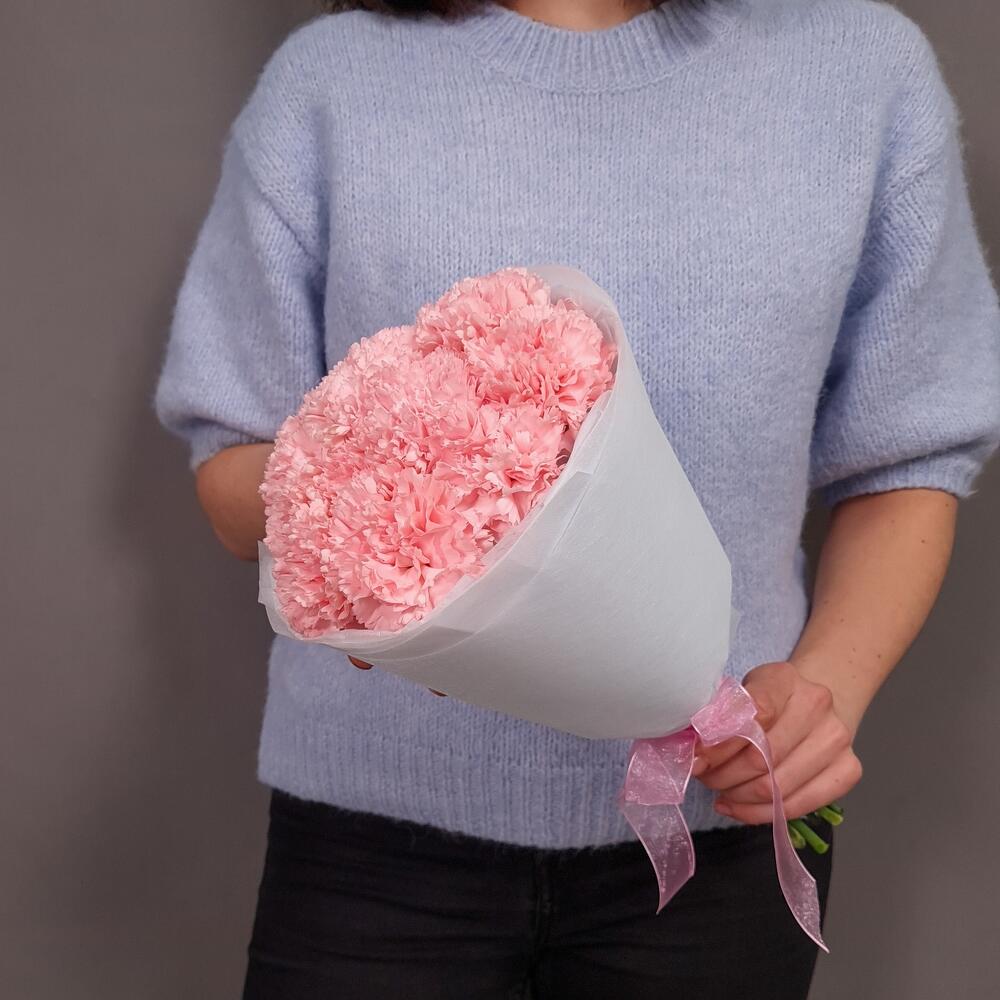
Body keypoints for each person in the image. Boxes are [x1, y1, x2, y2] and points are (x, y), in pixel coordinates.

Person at [153, 1, 1000, 996]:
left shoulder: (861, 71)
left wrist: (825, 693)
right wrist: (408, 532)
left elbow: (908, 458)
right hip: (373, 846)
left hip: (718, 822)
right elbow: (231, 467)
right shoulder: (332, 79)